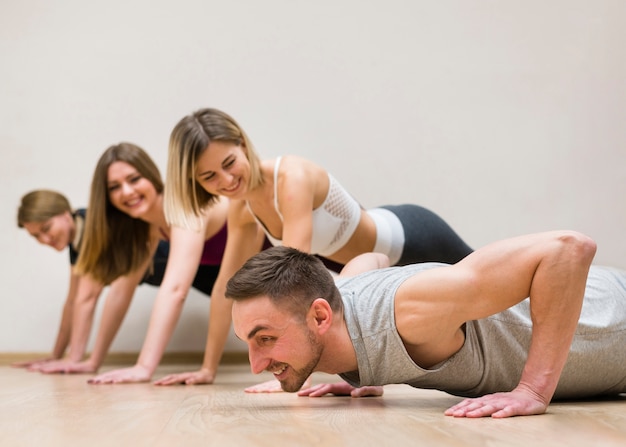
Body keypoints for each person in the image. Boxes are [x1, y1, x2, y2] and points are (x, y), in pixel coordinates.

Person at [158, 107, 474, 389]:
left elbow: (296, 284)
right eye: (209, 177)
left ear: (242, 144)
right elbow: (222, 291)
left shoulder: (291, 179)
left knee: (502, 291)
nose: (226, 181)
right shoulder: (242, 208)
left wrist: (295, 373)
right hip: (381, 267)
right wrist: (207, 369)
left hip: (412, 236)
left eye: (229, 163)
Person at [223, 230, 626, 418]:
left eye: (266, 339)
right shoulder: (339, 292)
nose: (257, 363)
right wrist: (364, 372)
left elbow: (569, 249)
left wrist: (532, 390)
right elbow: (372, 262)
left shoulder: (409, 312)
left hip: (613, 321)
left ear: (320, 316)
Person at [15, 189, 169, 373]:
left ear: (65, 214)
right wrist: (55, 355)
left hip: (188, 261)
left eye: (46, 228)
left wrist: (73, 359)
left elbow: (86, 298)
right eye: (36, 236)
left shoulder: (92, 228)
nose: (45, 239)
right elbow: (72, 302)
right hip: (170, 271)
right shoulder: (76, 242)